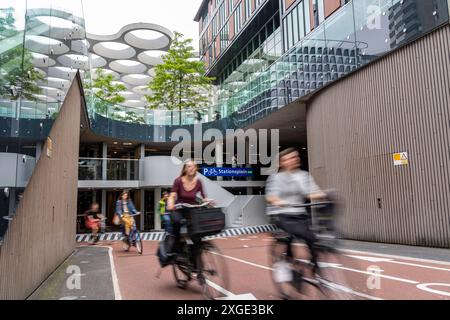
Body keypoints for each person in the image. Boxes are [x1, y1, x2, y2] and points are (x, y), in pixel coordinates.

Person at [265, 147, 326, 274]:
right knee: (292, 235)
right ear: (282, 162)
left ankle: (315, 267)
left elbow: (311, 193)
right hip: (281, 214)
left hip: (299, 214)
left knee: (312, 239)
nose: (295, 159)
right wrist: (278, 201)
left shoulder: (304, 175)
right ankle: (288, 263)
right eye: (290, 158)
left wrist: (324, 195)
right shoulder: (276, 178)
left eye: (296, 157)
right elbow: (271, 196)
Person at [167, 160, 210, 267]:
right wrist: (170, 203)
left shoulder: (199, 182)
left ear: (196, 169)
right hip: (180, 209)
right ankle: (177, 251)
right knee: (176, 221)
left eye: (194, 166)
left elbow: (204, 197)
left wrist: (209, 201)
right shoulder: (178, 181)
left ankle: (195, 260)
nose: (192, 168)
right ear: (185, 169)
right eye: (189, 166)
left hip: (192, 210)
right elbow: (172, 195)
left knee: (197, 235)